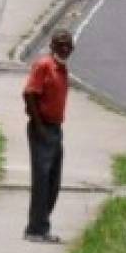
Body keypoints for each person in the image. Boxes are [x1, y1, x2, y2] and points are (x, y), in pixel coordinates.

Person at [23, 30, 73, 241]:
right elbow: (29, 93)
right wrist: (39, 125)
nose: (65, 48)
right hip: (42, 128)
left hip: (56, 129)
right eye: (61, 44)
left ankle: (41, 225)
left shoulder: (62, 69)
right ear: (52, 45)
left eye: (68, 45)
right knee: (42, 180)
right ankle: (35, 230)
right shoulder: (44, 65)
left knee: (53, 181)